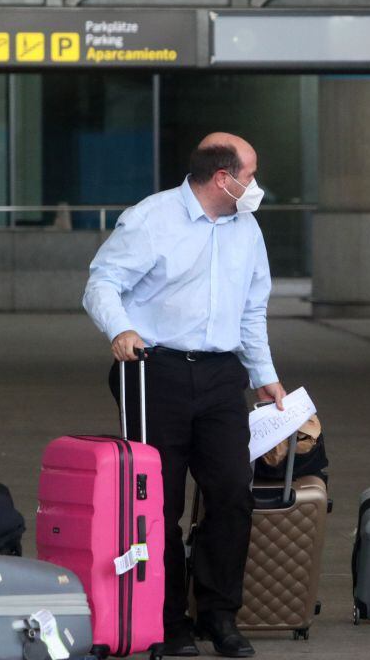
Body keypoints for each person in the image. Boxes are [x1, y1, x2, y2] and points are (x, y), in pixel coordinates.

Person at [83, 133, 287, 659]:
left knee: (231, 492)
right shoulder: (151, 219)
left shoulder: (248, 229)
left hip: (222, 376)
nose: (256, 185)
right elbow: (101, 282)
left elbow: (252, 311)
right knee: (158, 504)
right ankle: (167, 620)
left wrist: (264, 375)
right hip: (154, 371)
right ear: (225, 178)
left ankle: (219, 615)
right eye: (252, 173)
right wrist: (121, 329)